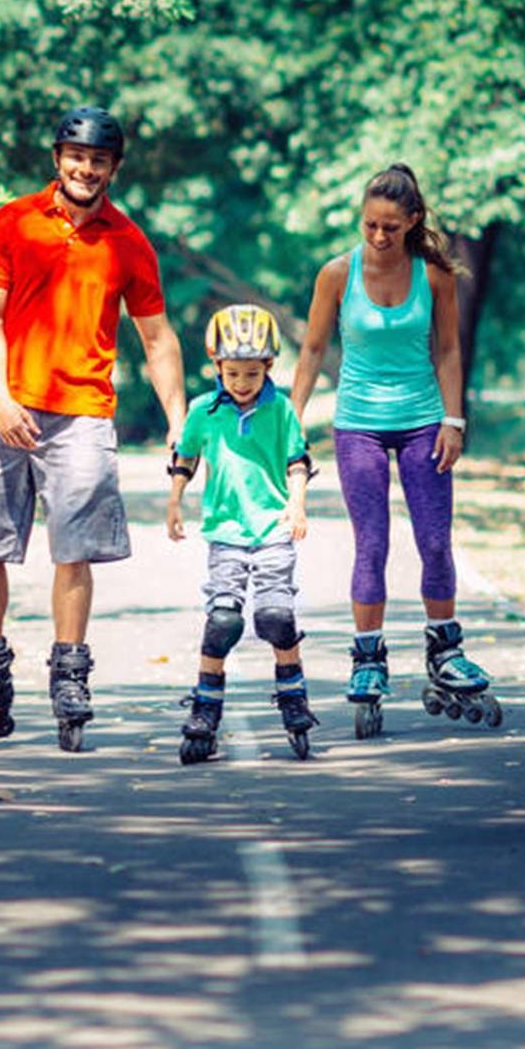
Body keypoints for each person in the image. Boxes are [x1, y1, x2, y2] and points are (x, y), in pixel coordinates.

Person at [0, 105, 186, 752]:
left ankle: (69, 673)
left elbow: (156, 338)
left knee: (74, 549)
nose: (84, 168)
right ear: (56, 158)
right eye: (75, 156)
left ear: (113, 169)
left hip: (84, 415)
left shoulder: (128, 242)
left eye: (98, 160)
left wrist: (181, 422)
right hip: (8, 406)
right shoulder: (14, 221)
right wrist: (0, 398)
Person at [291, 162, 497, 733]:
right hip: (358, 420)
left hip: (423, 421)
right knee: (372, 542)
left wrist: (453, 420)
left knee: (434, 540)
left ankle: (445, 650)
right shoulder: (337, 273)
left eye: (390, 227)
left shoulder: (433, 276)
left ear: (412, 221)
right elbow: (311, 350)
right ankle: (367, 658)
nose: (379, 237)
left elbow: (449, 350)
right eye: (369, 226)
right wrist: (294, 418)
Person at [166, 304, 318, 763]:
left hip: (273, 528)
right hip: (226, 532)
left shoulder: (282, 410)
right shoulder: (203, 410)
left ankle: (293, 698)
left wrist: (297, 505)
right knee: (223, 622)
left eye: (251, 373)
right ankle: (204, 712)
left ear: (269, 366)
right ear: (217, 367)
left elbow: (297, 461)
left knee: (274, 616)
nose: (241, 382)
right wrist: (175, 501)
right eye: (232, 373)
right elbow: (186, 455)